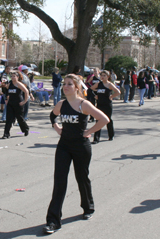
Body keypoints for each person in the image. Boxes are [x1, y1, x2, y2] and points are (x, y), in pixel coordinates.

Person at [43, 74, 109, 234]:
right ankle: (53, 221)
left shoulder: (83, 104)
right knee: (59, 181)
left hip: (81, 146)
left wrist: (88, 131)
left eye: (69, 84)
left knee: (82, 178)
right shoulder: (61, 104)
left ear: (77, 88)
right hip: (64, 146)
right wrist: (56, 127)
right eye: (64, 84)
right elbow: (52, 115)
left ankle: (88, 207)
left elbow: (104, 119)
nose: (65, 86)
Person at [90, 70, 120, 144]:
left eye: (104, 75)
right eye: (101, 75)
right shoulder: (98, 84)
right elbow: (91, 89)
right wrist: (96, 95)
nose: (102, 77)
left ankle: (111, 135)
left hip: (107, 105)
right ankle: (96, 139)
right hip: (99, 104)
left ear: (108, 76)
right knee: (98, 121)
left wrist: (112, 96)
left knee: (108, 120)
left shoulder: (110, 84)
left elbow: (118, 92)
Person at [2, 70, 29, 139]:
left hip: (18, 103)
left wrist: (24, 101)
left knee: (20, 118)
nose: (12, 77)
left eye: (14, 76)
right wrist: (6, 99)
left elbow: (26, 91)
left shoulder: (19, 84)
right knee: (9, 119)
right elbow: (6, 91)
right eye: (12, 76)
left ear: (17, 77)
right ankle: (6, 134)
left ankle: (25, 129)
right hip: (10, 103)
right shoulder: (10, 84)